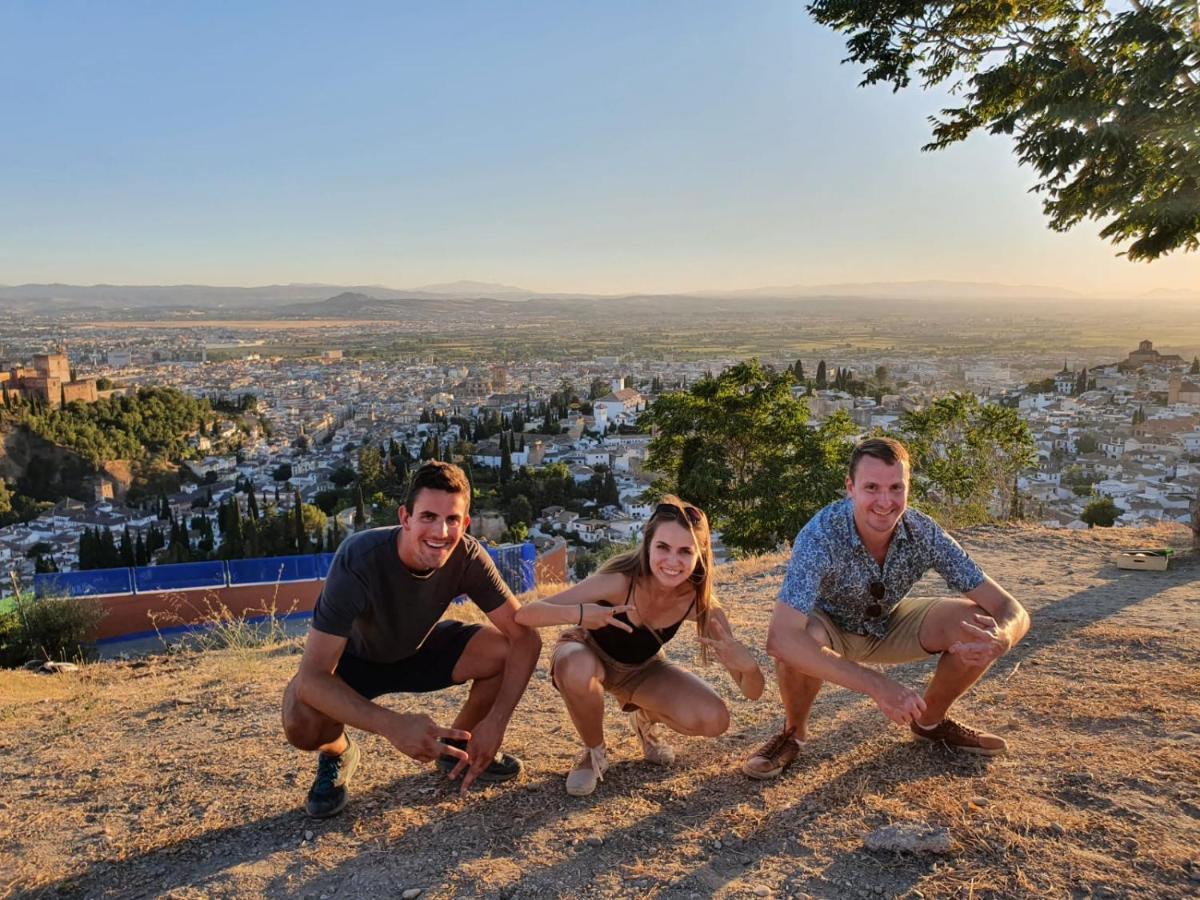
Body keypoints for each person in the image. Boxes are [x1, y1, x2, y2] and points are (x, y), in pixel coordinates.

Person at [743, 437, 1030, 779]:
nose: (885, 501)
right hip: (829, 627)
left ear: (908, 488)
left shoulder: (923, 531)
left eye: (896, 488)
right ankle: (794, 733)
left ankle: (930, 721)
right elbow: (780, 639)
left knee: (979, 622)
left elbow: (1010, 608)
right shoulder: (822, 534)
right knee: (797, 640)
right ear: (850, 488)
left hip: (888, 623)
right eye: (871, 487)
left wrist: (1002, 637)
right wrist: (878, 686)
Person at [282, 460, 541, 817]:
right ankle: (338, 752)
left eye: (452, 520)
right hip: (356, 661)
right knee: (301, 722)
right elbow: (311, 678)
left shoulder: (467, 555)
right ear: (405, 517)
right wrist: (393, 725)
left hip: (419, 648)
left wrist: (495, 723)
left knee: (503, 649)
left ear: (465, 523)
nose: (441, 531)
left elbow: (524, 637)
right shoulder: (359, 558)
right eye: (428, 517)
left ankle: (459, 746)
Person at [516, 497, 764, 796]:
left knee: (715, 719)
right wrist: (581, 614)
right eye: (663, 547)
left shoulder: (700, 606)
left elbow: (753, 693)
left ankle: (644, 718)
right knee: (577, 667)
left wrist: (748, 666)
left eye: (685, 551)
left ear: (701, 554)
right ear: (648, 543)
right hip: (586, 652)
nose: (672, 562)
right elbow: (526, 614)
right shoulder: (620, 582)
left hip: (642, 668)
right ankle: (594, 751)